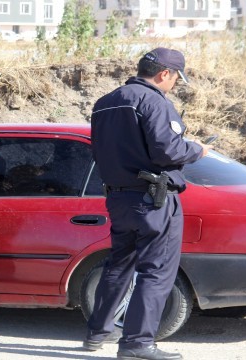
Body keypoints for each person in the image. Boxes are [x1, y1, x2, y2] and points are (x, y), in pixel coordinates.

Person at [85, 48, 210, 360]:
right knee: (156, 270)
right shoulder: (153, 101)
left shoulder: (104, 103)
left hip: (118, 197)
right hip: (153, 199)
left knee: (118, 265)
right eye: (175, 80)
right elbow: (167, 150)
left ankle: (96, 333)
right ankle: (137, 344)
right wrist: (196, 150)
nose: (174, 86)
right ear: (164, 74)